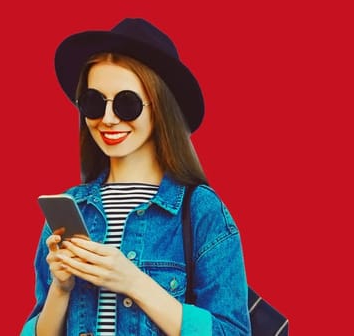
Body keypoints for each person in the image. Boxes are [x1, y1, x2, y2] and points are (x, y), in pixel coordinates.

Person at [21, 18, 251, 335]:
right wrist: (61, 290)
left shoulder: (201, 210)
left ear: (160, 107)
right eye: (94, 103)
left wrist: (133, 282)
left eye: (127, 104)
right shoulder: (71, 208)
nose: (109, 119)